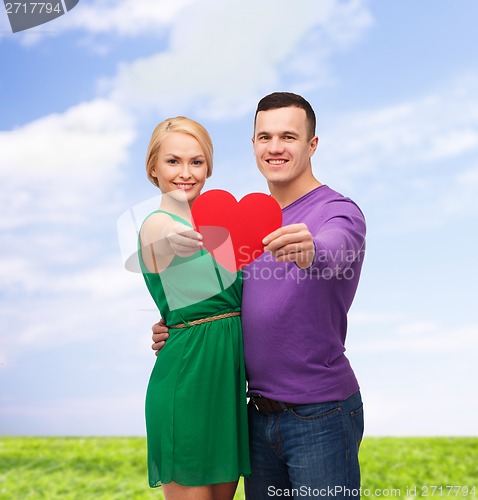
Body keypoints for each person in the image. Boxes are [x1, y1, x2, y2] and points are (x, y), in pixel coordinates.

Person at [152, 93, 366, 499]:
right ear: (252, 145)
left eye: (289, 136)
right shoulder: (245, 222)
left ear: (312, 144)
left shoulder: (338, 212)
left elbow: (338, 248)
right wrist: (178, 328)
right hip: (253, 416)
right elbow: (230, 303)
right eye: (264, 136)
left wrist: (312, 250)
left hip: (319, 414)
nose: (275, 147)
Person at [139, 116, 250, 500]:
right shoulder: (157, 223)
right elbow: (160, 240)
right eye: (173, 161)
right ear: (153, 166)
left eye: (196, 162)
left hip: (227, 389)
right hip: (186, 384)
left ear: (209, 166)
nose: (186, 173)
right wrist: (175, 238)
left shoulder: (224, 226)